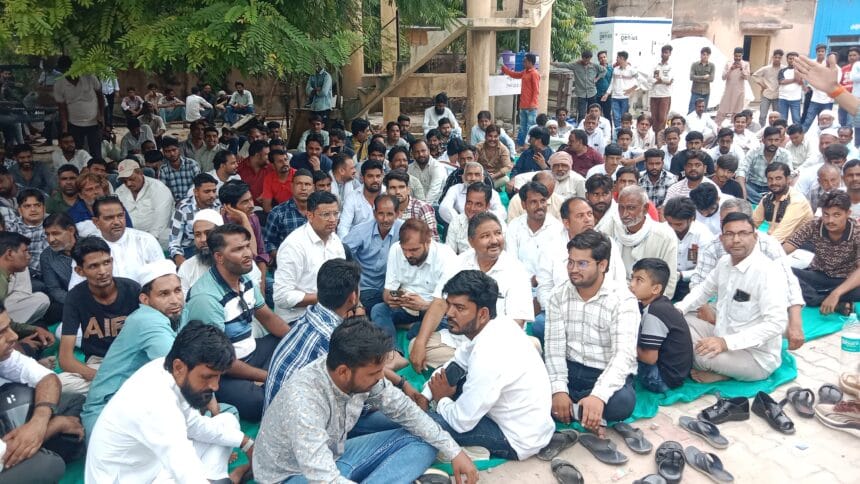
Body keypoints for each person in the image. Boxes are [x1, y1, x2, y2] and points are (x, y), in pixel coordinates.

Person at [254, 317, 478, 483]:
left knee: (425, 440)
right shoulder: (304, 401)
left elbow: (406, 412)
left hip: (335, 456)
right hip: (293, 476)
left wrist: (455, 452)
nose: (381, 378)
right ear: (343, 372)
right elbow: (323, 477)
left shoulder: (360, 373)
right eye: (374, 373)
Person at [86, 322, 254, 483]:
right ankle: (225, 479)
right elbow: (183, 466)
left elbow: (194, 426)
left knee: (227, 422)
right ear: (179, 367)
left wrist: (246, 443)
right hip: (129, 478)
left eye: (218, 377)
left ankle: (221, 479)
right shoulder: (156, 404)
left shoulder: (167, 369)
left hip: (153, 467)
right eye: (207, 377)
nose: (215, 386)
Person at [420, 270, 554, 460]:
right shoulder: (497, 325)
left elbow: (461, 422)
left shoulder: (489, 355)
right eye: (449, 305)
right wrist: (426, 395)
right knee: (428, 404)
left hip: (515, 439)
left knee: (421, 425)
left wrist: (441, 399)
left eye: (459, 308)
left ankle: (475, 450)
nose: (449, 313)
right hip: (518, 421)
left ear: (482, 313)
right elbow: (457, 362)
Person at [183, 223, 288, 421]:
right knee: (259, 402)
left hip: (251, 351)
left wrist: (296, 341)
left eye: (247, 246)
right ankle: (266, 380)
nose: (248, 253)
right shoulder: (206, 297)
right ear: (219, 257)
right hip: (222, 371)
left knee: (293, 338)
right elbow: (217, 359)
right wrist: (267, 376)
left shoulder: (244, 278)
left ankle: (268, 379)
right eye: (238, 249)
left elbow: (268, 316)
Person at [409, 212, 533, 372]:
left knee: (519, 352)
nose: (494, 240)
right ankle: (469, 367)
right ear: (471, 241)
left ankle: (466, 368)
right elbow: (439, 303)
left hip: (498, 345)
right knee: (416, 345)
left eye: (498, 233)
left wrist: (483, 351)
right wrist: (420, 343)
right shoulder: (459, 262)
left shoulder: (516, 270)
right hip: (459, 340)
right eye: (485, 236)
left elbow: (516, 323)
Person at [675, 212, 788, 382]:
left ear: (755, 237)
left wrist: (725, 343)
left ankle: (725, 373)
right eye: (729, 234)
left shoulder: (768, 272)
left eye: (743, 233)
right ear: (722, 239)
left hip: (755, 355)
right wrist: (679, 309)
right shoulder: (724, 263)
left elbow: (776, 324)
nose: (736, 240)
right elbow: (703, 290)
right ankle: (718, 361)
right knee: (679, 321)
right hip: (721, 333)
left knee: (699, 357)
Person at [545, 230, 638, 433]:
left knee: (622, 403)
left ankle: (580, 409)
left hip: (603, 371)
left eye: (582, 264)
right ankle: (584, 412)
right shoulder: (557, 296)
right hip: (570, 369)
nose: (573, 270)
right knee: (530, 389)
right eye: (570, 262)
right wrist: (558, 389)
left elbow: (623, 356)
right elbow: (554, 350)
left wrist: (598, 396)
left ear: (602, 265)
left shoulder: (623, 300)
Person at [80, 259, 183, 435]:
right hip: (109, 411)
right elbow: (181, 370)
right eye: (164, 294)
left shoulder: (176, 312)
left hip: (142, 403)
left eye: (178, 290)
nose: (175, 300)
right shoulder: (147, 321)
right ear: (145, 299)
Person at [0, 302, 85, 482]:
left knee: (74, 402)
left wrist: (38, 422)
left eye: (9, 327)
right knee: (49, 465)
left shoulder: (4, 356)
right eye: (1, 333)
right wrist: (55, 426)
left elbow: (47, 378)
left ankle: (31, 452)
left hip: (8, 434)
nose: (13, 336)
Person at [60, 236, 141, 394]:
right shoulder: (75, 297)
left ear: (112, 261)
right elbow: (65, 359)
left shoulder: (132, 289)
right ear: (80, 271)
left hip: (133, 358)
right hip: (99, 364)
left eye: (106, 263)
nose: (103, 271)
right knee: (60, 384)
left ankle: (113, 389)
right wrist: (101, 377)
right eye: (93, 266)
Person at [274, 191, 346, 323]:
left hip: (329, 313)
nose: (332, 219)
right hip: (298, 318)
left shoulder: (335, 240)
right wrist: (324, 298)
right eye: (326, 214)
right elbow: (281, 297)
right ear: (310, 216)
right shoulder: (294, 246)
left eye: (335, 214)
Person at [784, 190, 860, 315]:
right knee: (781, 272)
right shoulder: (814, 225)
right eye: (826, 214)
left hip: (846, 281)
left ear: (848, 213)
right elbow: (787, 247)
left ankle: (815, 296)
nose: (830, 220)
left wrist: (836, 293)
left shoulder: (857, 232)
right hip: (817, 275)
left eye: (836, 215)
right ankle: (821, 299)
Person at [68, 195, 163, 288]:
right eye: (109, 218)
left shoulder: (145, 240)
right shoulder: (86, 247)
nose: (117, 222)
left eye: (120, 216)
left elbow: (163, 278)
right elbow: (75, 287)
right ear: (96, 222)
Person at [600, 185, 679, 297]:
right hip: (614, 294)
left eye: (631, 208)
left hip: (649, 299)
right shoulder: (610, 227)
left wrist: (655, 303)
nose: (624, 214)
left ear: (645, 208)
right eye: (621, 208)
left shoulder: (665, 236)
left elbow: (669, 280)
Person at [629, 258, 693, 393]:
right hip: (676, 374)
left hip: (661, 379)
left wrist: (625, 346)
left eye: (639, 280)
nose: (631, 284)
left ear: (656, 288)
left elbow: (649, 358)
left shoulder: (654, 312)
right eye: (632, 278)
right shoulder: (660, 303)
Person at [343, 194, 403, 310]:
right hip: (365, 289)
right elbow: (341, 253)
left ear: (397, 214)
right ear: (374, 214)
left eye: (390, 214)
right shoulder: (361, 231)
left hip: (390, 287)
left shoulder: (404, 229)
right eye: (381, 214)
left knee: (405, 301)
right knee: (377, 306)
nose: (385, 219)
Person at [505, 181, 563, 285]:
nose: (539, 206)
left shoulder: (557, 228)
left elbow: (558, 265)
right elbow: (511, 261)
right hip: (518, 284)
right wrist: (526, 281)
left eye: (543, 201)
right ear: (523, 205)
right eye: (533, 202)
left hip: (549, 285)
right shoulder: (514, 226)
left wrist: (538, 280)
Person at [663, 197, 714, 301]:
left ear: (691, 219)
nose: (673, 227)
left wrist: (681, 275)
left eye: (678, 224)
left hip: (693, 281)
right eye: (669, 223)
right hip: (665, 278)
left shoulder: (703, 234)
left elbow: (705, 270)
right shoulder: (662, 230)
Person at [114, 158, 173, 248]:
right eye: (124, 181)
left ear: (140, 173)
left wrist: (148, 243)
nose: (128, 184)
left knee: (166, 236)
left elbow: (161, 221)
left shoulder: (158, 188)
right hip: (129, 236)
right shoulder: (120, 191)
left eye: (131, 179)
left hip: (155, 236)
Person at [53, 55, 104, 156]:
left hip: (94, 122)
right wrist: (65, 129)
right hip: (74, 124)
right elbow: (62, 108)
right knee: (77, 152)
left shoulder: (89, 77)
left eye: (68, 69)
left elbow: (100, 96)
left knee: (96, 152)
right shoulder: (59, 84)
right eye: (64, 70)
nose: (67, 72)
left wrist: (101, 115)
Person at [752, 161, 813, 242]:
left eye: (778, 178)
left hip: (798, 244)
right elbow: (753, 224)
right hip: (775, 241)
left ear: (788, 179)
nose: (774, 183)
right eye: (770, 179)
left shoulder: (796, 201)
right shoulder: (767, 198)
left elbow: (779, 236)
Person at [168, 173, 221, 264]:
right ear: (196, 192)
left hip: (214, 248)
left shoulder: (219, 205)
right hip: (190, 251)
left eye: (214, 191)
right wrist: (180, 260)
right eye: (207, 192)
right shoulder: (183, 208)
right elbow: (174, 242)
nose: (212, 195)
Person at [384, 169, 439, 241]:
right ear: (387, 191)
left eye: (401, 187)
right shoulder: (383, 208)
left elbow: (433, 239)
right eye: (393, 188)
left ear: (408, 190)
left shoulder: (422, 208)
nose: (397, 192)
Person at [501, 54, 541, 147]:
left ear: (530, 62)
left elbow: (536, 90)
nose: (523, 63)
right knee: (523, 127)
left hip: (530, 106)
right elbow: (515, 75)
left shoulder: (534, 73)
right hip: (523, 105)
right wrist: (504, 69)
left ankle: (529, 146)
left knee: (530, 127)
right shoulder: (525, 72)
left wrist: (533, 103)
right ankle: (521, 144)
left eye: (525, 61)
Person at [555, 50, 607, 121]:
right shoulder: (576, 65)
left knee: (592, 113)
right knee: (581, 113)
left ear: (590, 58)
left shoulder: (594, 66)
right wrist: (553, 63)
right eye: (585, 59)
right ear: (582, 58)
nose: (586, 62)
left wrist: (597, 78)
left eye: (588, 60)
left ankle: (592, 124)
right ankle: (581, 126)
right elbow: (565, 65)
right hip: (581, 93)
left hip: (592, 92)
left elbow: (604, 71)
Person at [40, 212, 76, 307]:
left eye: (56, 233)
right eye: (47, 234)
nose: (51, 239)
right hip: (71, 301)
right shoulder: (46, 256)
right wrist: (77, 303)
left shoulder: (89, 246)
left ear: (71, 230)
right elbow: (54, 289)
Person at [715, 47, 751, 126]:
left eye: (739, 56)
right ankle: (716, 127)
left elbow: (747, 78)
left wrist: (741, 68)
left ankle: (734, 128)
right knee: (722, 111)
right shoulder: (728, 63)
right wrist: (731, 69)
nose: (737, 58)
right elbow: (723, 77)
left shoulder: (746, 64)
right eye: (736, 56)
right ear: (733, 55)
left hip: (739, 92)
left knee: (737, 112)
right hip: (728, 91)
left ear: (742, 55)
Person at [159, 136, 201, 202]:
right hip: (173, 203)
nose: (172, 154)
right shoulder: (163, 169)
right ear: (163, 152)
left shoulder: (192, 164)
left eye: (174, 150)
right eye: (167, 151)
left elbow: (198, 186)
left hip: (192, 201)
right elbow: (163, 191)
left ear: (179, 149)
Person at [406, 139, 447, 204]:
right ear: (412, 154)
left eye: (423, 151)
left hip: (436, 204)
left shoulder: (437, 167)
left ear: (429, 151)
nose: (420, 154)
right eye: (417, 152)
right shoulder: (409, 169)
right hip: (416, 205)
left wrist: (423, 207)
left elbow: (434, 191)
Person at [752, 50, 785, 128]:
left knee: (777, 116)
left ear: (781, 58)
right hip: (766, 94)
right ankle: (761, 130)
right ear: (773, 57)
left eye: (779, 58)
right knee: (762, 115)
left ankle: (775, 130)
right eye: (775, 57)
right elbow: (755, 75)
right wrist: (762, 85)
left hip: (778, 95)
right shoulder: (766, 68)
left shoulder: (784, 68)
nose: (777, 59)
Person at [476, 124, 513, 190]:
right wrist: (480, 175)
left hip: (495, 177)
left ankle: (486, 188)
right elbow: (473, 162)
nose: (492, 139)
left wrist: (492, 177)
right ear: (485, 136)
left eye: (495, 136)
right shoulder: (478, 147)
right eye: (490, 136)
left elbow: (507, 167)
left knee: (506, 179)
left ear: (499, 137)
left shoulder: (503, 149)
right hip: (480, 176)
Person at [610, 51, 639, 132]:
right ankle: (618, 134)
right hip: (615, 96)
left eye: (617, 58)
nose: (616, 59)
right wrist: (607, 93)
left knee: (624, 118)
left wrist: (631, 89)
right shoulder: (615, 69)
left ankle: (625, 133)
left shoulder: (632, 70)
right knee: (616, 117)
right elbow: (612, 82)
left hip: (625, 97)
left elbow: (640, 81)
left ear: (622, 58)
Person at [649, 45, 674, 137]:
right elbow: (649, 78)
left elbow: (670, 80)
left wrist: (661, 80)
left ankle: (661, 138)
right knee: (654, 118)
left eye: (667, 52)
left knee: (662, 118)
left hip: (665, 95)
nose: (664, 54)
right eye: (663, 52)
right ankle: (655, 138)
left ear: (670, 54)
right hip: (654, 95)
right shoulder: (655, 66)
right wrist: (661, 80)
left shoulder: (671, 66)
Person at [778, 52, 804, 125]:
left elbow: (799, 81)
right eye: (790, 58)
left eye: (794, 59)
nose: (792, 60)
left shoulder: (801, 71)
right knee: (782, 119)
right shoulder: (782, 70)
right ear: (787, 59)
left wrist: (796, 68)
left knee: (796, 119)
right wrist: (794, 80)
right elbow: (781, 81)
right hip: (783, 98)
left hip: (795, 99)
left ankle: (797, 132)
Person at [689, 46, 716, 114]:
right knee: (691, 110)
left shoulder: (712, 65)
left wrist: (697, 78)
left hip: (706, 93)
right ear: (700, 54)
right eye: (704, 54)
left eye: (707, 55)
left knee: (703, 112)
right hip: (695, 91)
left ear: (709, 55)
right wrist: (703, 77)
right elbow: (691, 77)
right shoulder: (695, 64)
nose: (705, 56)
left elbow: (711, 79)